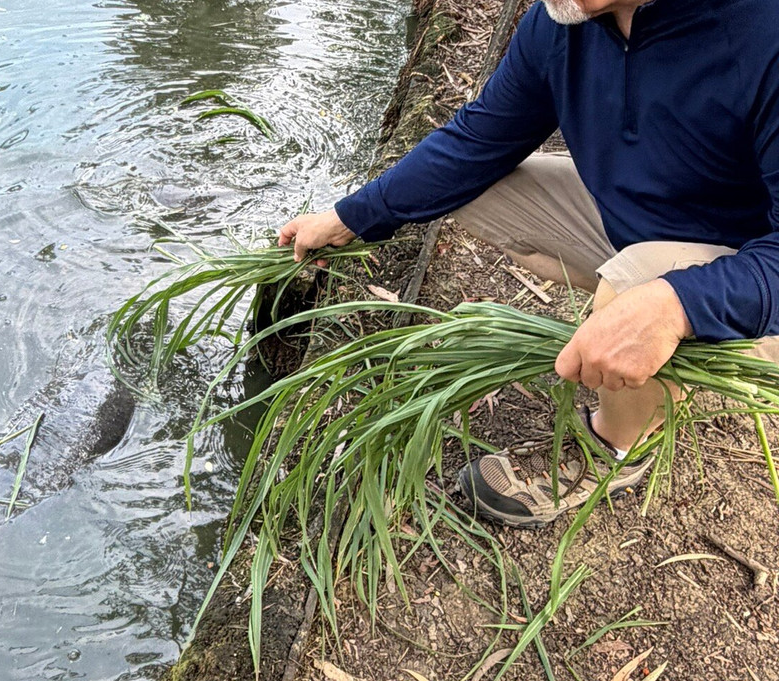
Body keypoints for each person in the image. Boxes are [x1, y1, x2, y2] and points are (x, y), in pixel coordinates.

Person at [278, 0, 779, 527]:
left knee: (633, 291)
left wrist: (676, 305)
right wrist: (349, 217)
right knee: (475, 190)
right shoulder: (564, 22)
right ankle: (643, 331)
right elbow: (478, 141)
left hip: (754, 278)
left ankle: (613, 448)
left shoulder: (763, 31)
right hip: (643, 230)